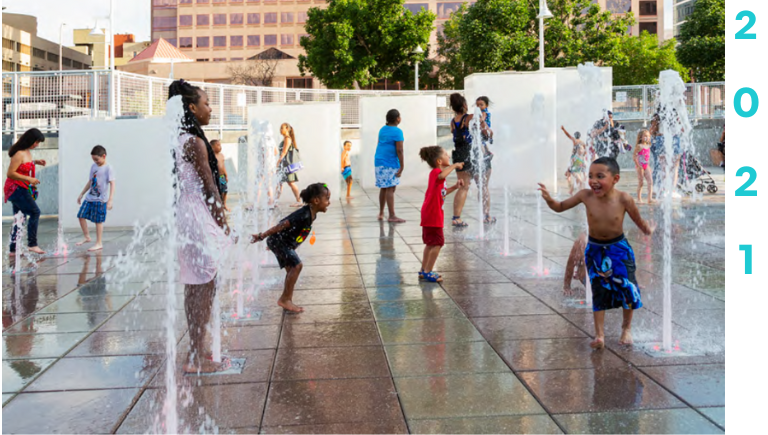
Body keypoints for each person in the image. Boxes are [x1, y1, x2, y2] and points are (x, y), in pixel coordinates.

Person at [538, 157, 654, 349]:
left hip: (619, 250)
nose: (593, 181)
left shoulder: (624, 199)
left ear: (615, 179)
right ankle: (599, 335)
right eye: (591, 176)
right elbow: (560, 207)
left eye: (600, 176)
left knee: (628, 289)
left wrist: (649, 230)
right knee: (598, 290)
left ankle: (626, 328)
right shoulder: (585, 196)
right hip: (595, 250)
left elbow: (639, 222)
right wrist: (550, 200)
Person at [169, 79, 232, 374]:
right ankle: (195, 355)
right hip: (198, 214)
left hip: (186, 214)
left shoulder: (178, 139)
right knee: (204, 284)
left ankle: (197, 349)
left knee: (196, 283)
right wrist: (223, 224)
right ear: (192, 108)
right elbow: (209, 187)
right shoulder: (194, 142)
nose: (211, 109)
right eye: (207, 103)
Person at [251, 183, 331, 313]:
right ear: (316, 200)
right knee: (297, 266)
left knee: (292, 270)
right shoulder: (303, 215)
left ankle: (287, 300)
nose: (329, 202)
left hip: (281, 243)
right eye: (327, 199)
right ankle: (285, 299)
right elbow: (282, 225)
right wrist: (262, 236)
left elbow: (298, 234)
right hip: (279, 242)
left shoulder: (312, 214)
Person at [418, 146, 464, 283]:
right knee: (438, 243)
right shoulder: (436, 172)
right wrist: (455, 165)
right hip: (433, 214)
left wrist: (455, 187)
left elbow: (442, 193)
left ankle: (423, 270)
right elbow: (442, 175)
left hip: (430, 214)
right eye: (445, 154)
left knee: (430, 243)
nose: (448, 156)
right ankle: (428, 271)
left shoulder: (437, 176)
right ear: (439, 161)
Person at [4, 128, 47, 256]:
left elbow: (24, 164)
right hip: (15, 188)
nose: (37, 145)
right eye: (36, 142)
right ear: (30, 140)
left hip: (20, 187)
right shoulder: (19, 153)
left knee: (20, 219)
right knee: (35, 212)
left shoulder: (27, 151)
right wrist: (29, 178)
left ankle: (13, 249)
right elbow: (10, 173)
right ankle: (32, 244)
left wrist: (35, 162)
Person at [75, 145, 116, 252]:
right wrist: (82, 194)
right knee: (81, 215)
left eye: (97, 159)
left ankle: (99, 243)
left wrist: (110, 200)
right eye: (93, 160)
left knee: (98, 221)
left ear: (104, 156)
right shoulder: (93, 167)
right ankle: (87, 236)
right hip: (90, 197)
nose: (95, 162)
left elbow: (112, 183)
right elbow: (90, 181)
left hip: (100, 199)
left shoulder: (108, 168)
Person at [374, 109, 406, 223]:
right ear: (397, 118)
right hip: (390, 163)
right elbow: (400, 150)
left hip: (379, 161)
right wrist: (402, 166)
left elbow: (379, 144)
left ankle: (381, 213)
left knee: (384, 187)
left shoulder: (382, 130)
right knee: (391, 188)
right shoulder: (397, 131)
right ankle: (392, 215)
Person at [277, 123, 302, 207]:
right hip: (284, 165)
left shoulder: (287, 139)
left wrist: (278, 162)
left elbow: (284, 152)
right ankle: (274, 201)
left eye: (282, 128)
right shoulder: (286, 139)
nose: (281, 130)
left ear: (287, 129)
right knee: (279, 182)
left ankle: (299, 200)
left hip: (287, 165)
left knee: (291, 183)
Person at [561, 126, 587, 195]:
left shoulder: (575, 141)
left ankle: (572, 191)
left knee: (577, 177)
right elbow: (585, 152)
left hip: (576, 160)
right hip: (579, 160)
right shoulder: (582, 143)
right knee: (578, 177)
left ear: (575, 136)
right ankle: (577, 191)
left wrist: (563, 129)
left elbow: (568, 135)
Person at [633, 130, 654, 204]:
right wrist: (638, 166)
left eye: (648, 136)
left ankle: (650, 198)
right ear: (641, 137)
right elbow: (634, 157)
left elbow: (647, 158)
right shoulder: (639, 146)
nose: (647, 138)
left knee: (650, 181)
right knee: (641, 182)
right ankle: (639, 199)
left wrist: (648, 166)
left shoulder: (648, 146)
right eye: (645, 136)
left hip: (646, 165)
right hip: (640, 166)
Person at [211, 140, 230, 212]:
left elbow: (223, 166)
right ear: (212, 147)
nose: (220, 147)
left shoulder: (221, 155)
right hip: (216, 177)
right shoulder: (211, 156)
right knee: (217, 191)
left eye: (220, 145)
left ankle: (224, 204)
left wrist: (226, 175)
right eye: (218, 145)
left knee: (225, 190)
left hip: (222, 177)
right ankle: (218, 205)